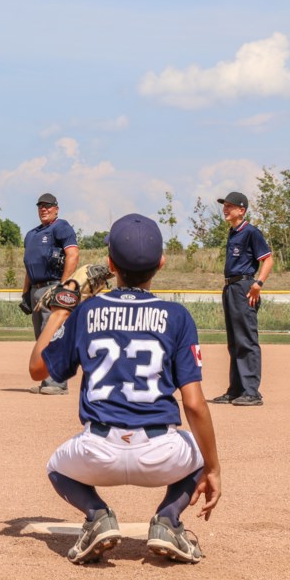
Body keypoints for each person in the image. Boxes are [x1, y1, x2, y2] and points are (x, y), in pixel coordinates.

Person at [28, 213, 221, 565]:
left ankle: (97, 515)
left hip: (97, 451)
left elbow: (37, 368)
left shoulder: (87, 311)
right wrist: (213, 470)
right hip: (161, 454)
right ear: (161, 263)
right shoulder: (177, 317)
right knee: (199, 456)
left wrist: (63, 307)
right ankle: (168, 519)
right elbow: (194, 404)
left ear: (110, 264)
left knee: (55, 467)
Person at [211, 191, 273, 407]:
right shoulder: (233, 232)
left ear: (241, 210)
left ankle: (251, 392)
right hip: (230, 288)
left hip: (244, 286)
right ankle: (236, 389)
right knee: (234, 342)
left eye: (230, 205)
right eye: (224, 205)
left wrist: (258, 284)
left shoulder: (251, 232)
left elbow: (267, 259)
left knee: (246, 340)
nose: (225, 209)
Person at [22, 192, 79, 394]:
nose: (44, 209)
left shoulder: (61, 226)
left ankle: (58, 383)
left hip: (53, 287)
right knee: (41, 338)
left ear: (56, 208)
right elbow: (29, 265)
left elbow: (73, 255)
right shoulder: (31, 234)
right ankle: (47, 381)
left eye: (48, 206)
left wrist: (63, 287)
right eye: (40, 206)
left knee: (54, 335)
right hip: (36, 289)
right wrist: (25, 293)